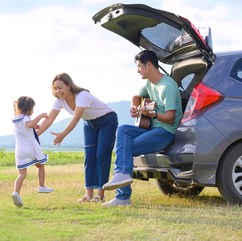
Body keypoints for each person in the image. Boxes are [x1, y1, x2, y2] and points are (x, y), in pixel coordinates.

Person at [102, 50, 183, 207]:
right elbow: (136, 97)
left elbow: (170, 117)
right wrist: (134, 107)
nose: (137, 70)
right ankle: (121, 176)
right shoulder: (149, 83)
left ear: (149, 65)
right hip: (151, 128)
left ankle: (123, 195)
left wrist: (151, 113)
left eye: (139, 66)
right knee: (123, 129)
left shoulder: (168, 86)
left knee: (126, 148)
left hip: (165, 132)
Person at [37, 73, 118, 203]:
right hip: (89, 123)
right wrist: (34, 136)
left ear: (69, 85)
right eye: (55, 88)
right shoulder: (59, 101)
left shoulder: (82, 96)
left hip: (107, 120)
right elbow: (49, 119)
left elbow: (75, 118)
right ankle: (88, 194)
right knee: (89, 156)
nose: (58, 91)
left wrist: (62, 134)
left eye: (60, 87)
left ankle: (100, 194)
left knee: (101, 155)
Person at [12, 96, 54, 208]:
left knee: (22, 174)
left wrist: (34, 127)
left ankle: (16, 192)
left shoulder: (16, 119)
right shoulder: (26, 118)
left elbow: (26, 128)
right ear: (29, 109)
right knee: (40, 166)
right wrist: (40, 116)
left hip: (20, 151)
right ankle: (41, 186)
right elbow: (29, 124)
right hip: (30, 149)